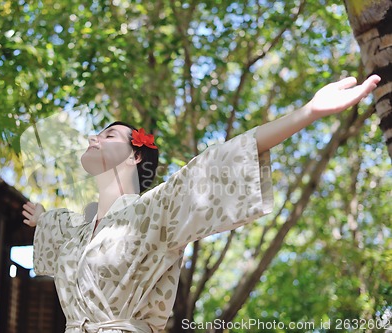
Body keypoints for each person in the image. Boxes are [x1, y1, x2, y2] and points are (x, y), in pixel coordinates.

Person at [22, 75, 381, 333]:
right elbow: (61, 225)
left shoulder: (153, 211)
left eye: (108, 134)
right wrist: (41, 219)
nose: (93, 137)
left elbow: (214, 165)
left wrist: (309, 112)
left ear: (135, 157)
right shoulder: (78, 232)